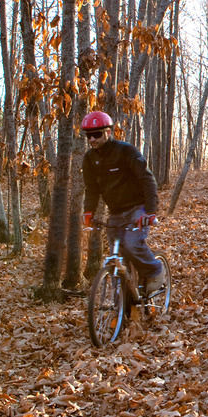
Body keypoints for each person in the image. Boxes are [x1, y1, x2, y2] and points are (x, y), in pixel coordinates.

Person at [80, 110, 165, 294]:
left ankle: (155, 271)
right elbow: (92, 189)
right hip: (116, 212)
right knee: (117, 257)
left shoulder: (126, 151)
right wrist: (89, 212)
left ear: (108, 132)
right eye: (89, 135)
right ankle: (124, 306)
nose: (92, 139)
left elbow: (147, 179)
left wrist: (151, 211)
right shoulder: (89, 159)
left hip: (138, 207)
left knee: (132, 243)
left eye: (96, 134)